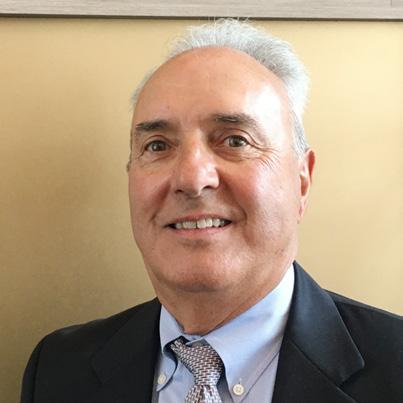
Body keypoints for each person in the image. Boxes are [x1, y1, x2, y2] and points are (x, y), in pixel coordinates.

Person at [21, 19, 403, 403]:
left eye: (235, 141)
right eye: (157, 145)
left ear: (301, 181)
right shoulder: (59, 369)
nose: (191, 178)